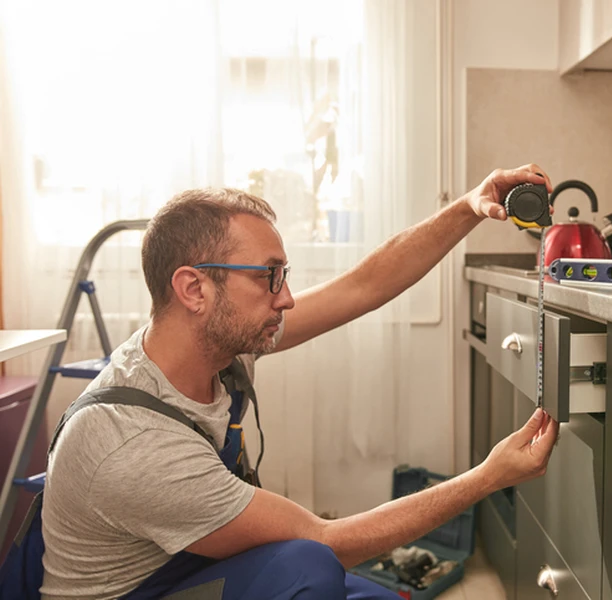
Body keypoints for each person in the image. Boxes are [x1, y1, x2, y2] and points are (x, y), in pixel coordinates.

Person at [40, 164, 560, 599]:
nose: (286, 298)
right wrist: (488, 477)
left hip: (179, 567)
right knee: (309, 570)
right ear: (193, 288)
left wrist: (468, 205)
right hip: (136, 591)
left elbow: (363, 286)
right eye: (269, 276)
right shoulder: (132, 442)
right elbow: (324, 539)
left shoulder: (215, 347)